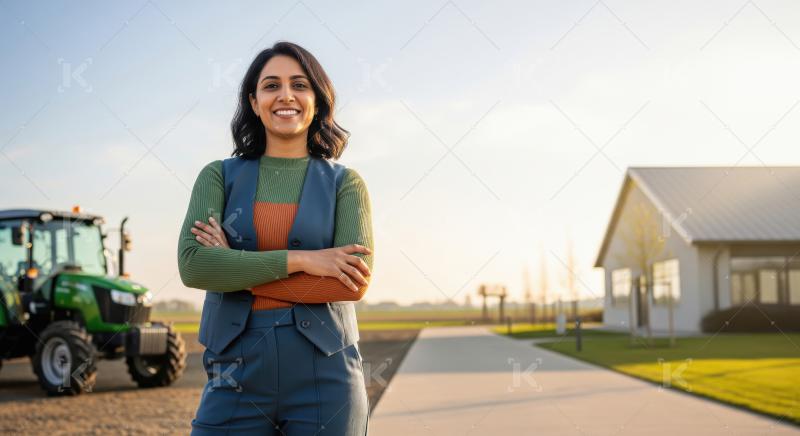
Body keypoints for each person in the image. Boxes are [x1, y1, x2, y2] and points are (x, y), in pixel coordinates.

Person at [178, 41, 373, 435]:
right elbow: (195, 265)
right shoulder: (218, 176)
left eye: (299, 84)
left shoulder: (345, 184)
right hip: (234, 372)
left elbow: (350, 283)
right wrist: (302, 260)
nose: (286, 95)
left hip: (326, 375)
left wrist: (234, 267)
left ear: (317, 99)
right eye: (271, 86)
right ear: (254, 101)